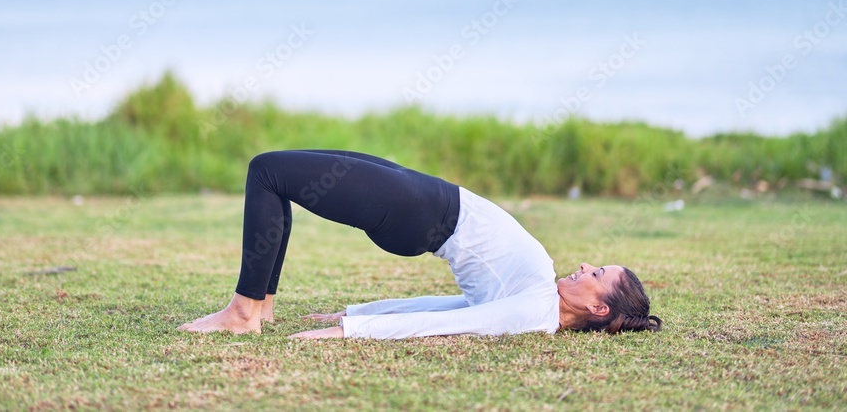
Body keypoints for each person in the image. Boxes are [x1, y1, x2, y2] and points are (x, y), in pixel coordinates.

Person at [179, 150, 662, 339]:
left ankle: (243, 312)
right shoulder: (537, 299)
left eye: (597, 274)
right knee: (279, 174)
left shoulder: (535, 312)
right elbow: (455, 303)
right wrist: (356, 312)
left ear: (599, 309)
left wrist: (349, 333)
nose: (585, 265)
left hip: (420, 212)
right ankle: (258, 307)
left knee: (268, 172)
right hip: (429, 199)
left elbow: (449, 324)